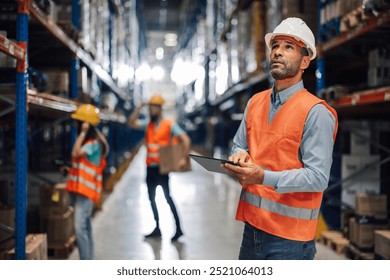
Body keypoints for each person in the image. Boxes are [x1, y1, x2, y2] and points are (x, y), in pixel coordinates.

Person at [222, 17, 338, 260]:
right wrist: (239, 154)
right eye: (275, 46)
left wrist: (262, 176)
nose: (277, 52)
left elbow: (318, 177)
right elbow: (239, 143)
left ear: (305, 61)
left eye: (288, 47)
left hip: (290, 241)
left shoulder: (315, 112)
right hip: (252, 230)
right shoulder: (255, 102)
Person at [128, 94, 191, 242]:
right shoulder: (148, 124)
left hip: (163, 168)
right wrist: (139, 107)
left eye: (153, 107)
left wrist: (183, 158)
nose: (151, 110)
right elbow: (131, 123)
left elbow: (185, 139)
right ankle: (157, 228)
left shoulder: (169, 124)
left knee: (168, 198)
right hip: (150, 167)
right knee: (151, 198)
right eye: (150, 107)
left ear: (159, 109)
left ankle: (178, 229)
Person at [66, 104, 109, 260]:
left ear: (86, 124)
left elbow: (75, 152)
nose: (76, 125)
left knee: (79, 228)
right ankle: (88, 259)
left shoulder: (93, 143)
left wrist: (83, 132)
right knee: (86, 227)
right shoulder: (91, 143)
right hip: (81, 191)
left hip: (86, 192)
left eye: (80, 123)